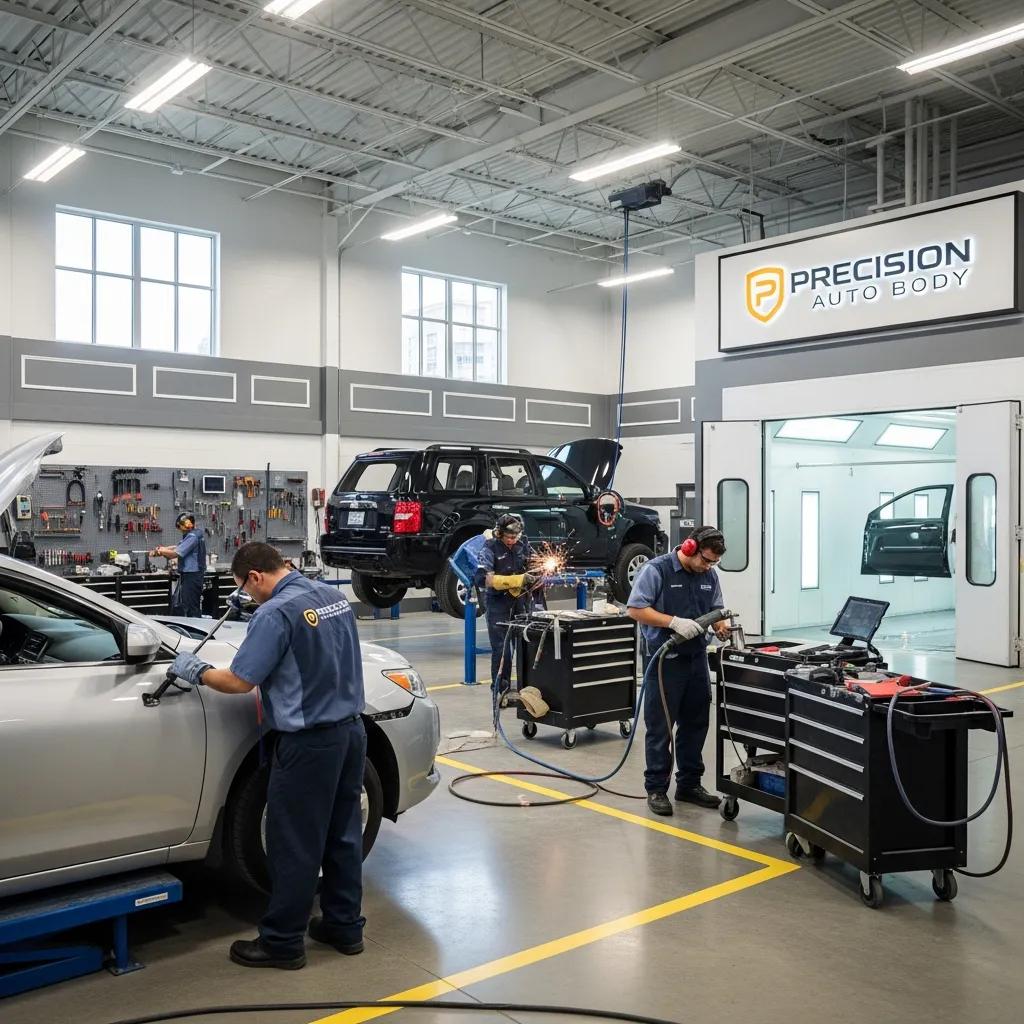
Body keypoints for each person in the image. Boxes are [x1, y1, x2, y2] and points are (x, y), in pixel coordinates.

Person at [170, 542, 366, 970]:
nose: (247, 595)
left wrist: (197, 670)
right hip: (352, 734)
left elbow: (240, 682)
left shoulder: (274, 614)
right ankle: (345, 926)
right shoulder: (329, 595)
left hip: (309, 745)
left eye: (245, 587)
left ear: (255, 577)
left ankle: (282, 942)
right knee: (343, 835)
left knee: (294, 844)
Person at [626, 526, 731, 817]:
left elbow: (716, 608)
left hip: (696, 658)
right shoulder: (656, 570)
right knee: (661, 727)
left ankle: (689, 784)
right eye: (705, 560)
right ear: (689, 548)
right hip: (664, 659)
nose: (708, 567)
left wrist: (720, 626)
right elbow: (635, 609)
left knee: (696, 723)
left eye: (714, 563)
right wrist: (673, 622)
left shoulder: (709, 575)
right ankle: (656, 788)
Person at [475, 514, 538, 695]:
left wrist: (537, 573)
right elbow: (484, 580)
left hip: (520, 600)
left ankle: (526, 688)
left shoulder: (523, 544)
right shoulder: (489, 548)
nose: (511, 541)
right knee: (503, 649)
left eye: (514, 537)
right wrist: (516, 580)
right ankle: (501, 689)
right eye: (508, 537)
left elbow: (535, 564)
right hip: (498, 602)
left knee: (525, 645)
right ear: (500, 533)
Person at [152, 512, 206, 617]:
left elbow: (175, 553)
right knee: (187, 605)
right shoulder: (195, 534)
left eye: (181, 527)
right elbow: (178, 547)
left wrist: (161, 551)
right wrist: (163, 549)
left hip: (192, 576)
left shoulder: (193, 537)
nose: (181, 530)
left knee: (191, 608)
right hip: (191, 575)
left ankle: (193, 626)